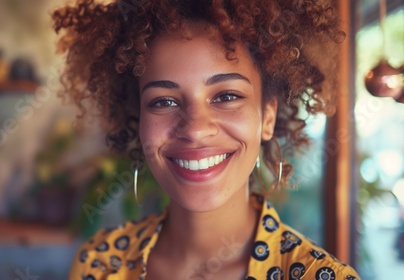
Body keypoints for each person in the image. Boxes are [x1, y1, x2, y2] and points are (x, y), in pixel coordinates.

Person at [52, 0, 360, 279]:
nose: (196, 129)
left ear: (267, 117)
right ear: (138, 119)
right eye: (164, 101)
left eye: (226, 96)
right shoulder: (98, 264)